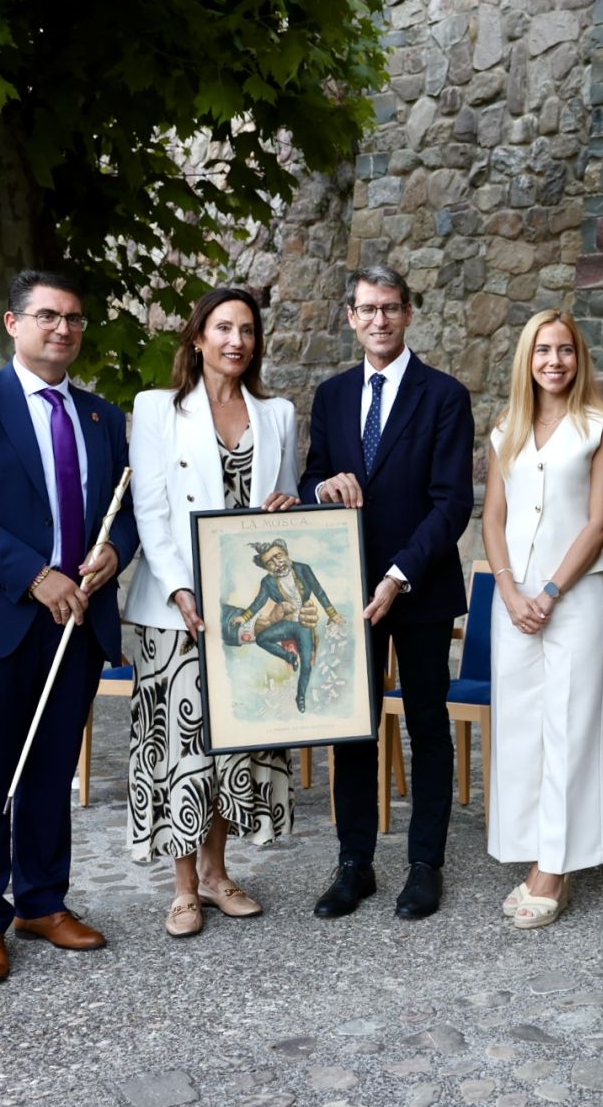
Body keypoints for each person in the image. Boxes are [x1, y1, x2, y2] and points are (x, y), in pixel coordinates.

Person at [0, 268, 137, 984]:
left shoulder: (102, 417)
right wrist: (32, 573)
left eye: (73, 318)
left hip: (77, 622)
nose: (62, 328)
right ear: (14, 323)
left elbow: (128, 508)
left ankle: (42, 900)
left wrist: (115, 552)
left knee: (50, 768)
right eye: (47, 315)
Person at [123, 286, 303, 939]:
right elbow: (149, 510)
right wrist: (179, 588)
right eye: (223, 327)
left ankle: (217, 872)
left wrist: (288, 505)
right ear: (197, 337)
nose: (236, 340)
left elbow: (281, 502)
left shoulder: (278, 413)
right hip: (174, 613)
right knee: (181, 749)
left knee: (233, 746)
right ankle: (181, 888)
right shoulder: (157, 410)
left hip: (242, 609)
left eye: (247, 330)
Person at [299, 264, 474, 922]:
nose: (380, 319)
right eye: (368, 309)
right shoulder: (334, 394)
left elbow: (452, 502)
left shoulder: (445, 395)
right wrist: (322, 486)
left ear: (408, 313)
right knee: (353, 729)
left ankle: (424, 862)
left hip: (418, 586)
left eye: (392, 307)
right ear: (351, 316)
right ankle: (354, 863)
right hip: (346, 592)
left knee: (428, 724)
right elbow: (313, 474)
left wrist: (399, 574)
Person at [481, 310, 603, 929]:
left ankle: (556, 868)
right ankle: (533, 848)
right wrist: (511, 592)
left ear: (578, 358)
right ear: (527, 359)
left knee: (570, 724)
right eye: (543, 350)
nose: (554, 361)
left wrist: (552, 589)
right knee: (520, 727)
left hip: (576, 597)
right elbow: (491, 519)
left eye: (565, 350)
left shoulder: (597, 429)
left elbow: (598, 522)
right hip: (513, 600)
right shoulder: (506, 427)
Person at [227, 538, 344, 713]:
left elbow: (319, 591)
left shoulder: (303, 569)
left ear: (286, 553)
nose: (276, 563)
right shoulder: (267, 582)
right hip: (287, 623)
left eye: (278, 556)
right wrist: (243, 617)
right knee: (262, 639)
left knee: (306, 664)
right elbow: (258, 602)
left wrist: (333, 614)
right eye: (270, 562)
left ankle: (301, 696)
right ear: (266, 568)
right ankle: (288, 656)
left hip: (304, 624)